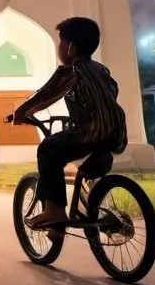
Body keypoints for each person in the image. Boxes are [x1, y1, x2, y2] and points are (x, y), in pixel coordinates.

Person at [10, 17, 127, 231]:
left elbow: (46, 95)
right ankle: (87, 203)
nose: (59, 48)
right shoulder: (101, 69)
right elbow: (113, 89)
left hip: (91, 131)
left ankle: (54, 211)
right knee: (79, 156)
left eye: (60, 43)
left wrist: (20, 112)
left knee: (49, 148)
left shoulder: (71, 71)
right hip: (115, 132)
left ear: (70, 48)